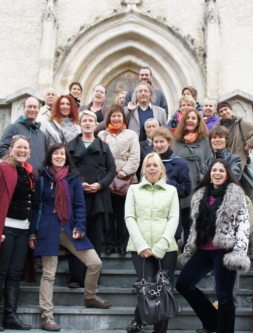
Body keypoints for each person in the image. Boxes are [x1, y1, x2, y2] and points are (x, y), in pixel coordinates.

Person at [29, 143, 111, 332]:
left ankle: (90, 297)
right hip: (47, 229)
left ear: (67, 158)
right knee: (49, 273)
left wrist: (80, 226)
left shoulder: (73, 178)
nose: (59, 156)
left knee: (94, 263)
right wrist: (33, 232)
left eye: (62, 154)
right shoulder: (42, 178)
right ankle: (46, 316)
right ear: (50, 157)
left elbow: (79, 206)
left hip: (69, 227)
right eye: (56, 154)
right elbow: (36, 207)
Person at [176, 159, 251, 333]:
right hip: (203, 249)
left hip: (224, 249)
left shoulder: (235, 195)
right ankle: (212, 322)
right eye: (214, 170)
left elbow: (243, 225)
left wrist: (239, 251)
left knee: (224, 296)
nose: (217, 173)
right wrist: (188, 247)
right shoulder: (200, 194)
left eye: (221, 171)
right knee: (183, 284)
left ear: (227, 175)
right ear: (209, 174)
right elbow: (194, 226)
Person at [0, 135, 35, 331]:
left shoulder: (28, 171)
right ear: (11, 149)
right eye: (19, 147)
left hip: (23, 229)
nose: (22, 150)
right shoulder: (2, 168)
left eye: (26, 148)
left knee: (15, 273)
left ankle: (10, 315)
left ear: (29, 151)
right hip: (5, 229)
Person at [125, 152, 180, 333]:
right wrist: (142, 245)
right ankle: (139, 319)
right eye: (148, 165)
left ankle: (159, 330)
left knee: (164, 290)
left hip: (166, 250)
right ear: (143, 169)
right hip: (140, 249)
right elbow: (130, 217)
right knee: (146, 287)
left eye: (155, 165)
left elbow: (173, 219)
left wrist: (160, 246)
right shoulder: (133, 189)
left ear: (161, 169)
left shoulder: (171, 191)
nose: (151, 168)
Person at [66, 110, 116, 288]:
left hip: (98, 197)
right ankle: (75, 277)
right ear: (80, 124)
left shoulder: (104, 146)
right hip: (76, 196)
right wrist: (78, 183)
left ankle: (93, 279)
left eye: (91, 121)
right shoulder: (71, 145)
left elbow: (112, 170)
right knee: (76, 235)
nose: (87, 123)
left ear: (96, 124)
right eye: (84, 120)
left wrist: (100, 185)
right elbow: (66, 168)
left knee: (96, 237)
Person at [98, 105, 140, 256]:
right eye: (113, 116)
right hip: (107, 180)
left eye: (119, 116)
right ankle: (108, 243)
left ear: (124, 118)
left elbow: (135, 156)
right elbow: (99, 156)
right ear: (109, 118)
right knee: (108, 213)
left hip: (126, 180)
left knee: (123, 214)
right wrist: (107, 175)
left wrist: (124, 172)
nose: (116, 119)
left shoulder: (131, 134)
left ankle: (122, 244)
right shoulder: (102, 135)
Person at [172, 109, 212, 245]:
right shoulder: (176, 141)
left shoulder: (205, 142)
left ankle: (195, 250)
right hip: (181, 186)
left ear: (198, 122)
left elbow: (209, 163)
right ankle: (184, 250)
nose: (190, 120)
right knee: (183, 220)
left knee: (197, 220)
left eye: (193, 118)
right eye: (187, 118)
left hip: (198, 185)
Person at [152, 127, 192, 241]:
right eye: (156, 142)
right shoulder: (149, 162)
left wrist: (168, 182)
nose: (159, 145)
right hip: (151, 213)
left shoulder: (180, 164)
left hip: (170, 212)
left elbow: (186, 190)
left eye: (162, 141)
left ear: (169, 142)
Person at [0, 96, 47, 176]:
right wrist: (17, 167)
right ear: (24, 108)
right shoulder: (13, 128)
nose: (32, 109)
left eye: (35, 107)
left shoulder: (42, 135)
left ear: (39, 110)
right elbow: (1, 150)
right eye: (29, 106)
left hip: (38, 182)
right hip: (19, 180)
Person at [217, 101, 253, 169]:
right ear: (219, 114)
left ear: (230, 110)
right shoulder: (218, 127)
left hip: (237, 162)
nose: (224, 112)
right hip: (222, 161)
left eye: (226, 109)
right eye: (221, 111)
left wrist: (250, 144)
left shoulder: (241, 123)